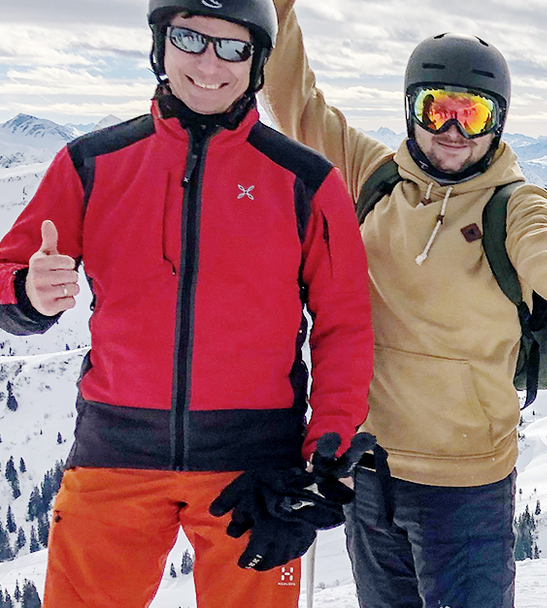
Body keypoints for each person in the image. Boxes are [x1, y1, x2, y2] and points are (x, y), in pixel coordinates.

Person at [260, 1, 547, 606]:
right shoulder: (374, 175)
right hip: (370, 469)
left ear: (498, 121)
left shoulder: (513, 204)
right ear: (411, 110)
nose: (453, 131)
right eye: (436, 109)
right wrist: (277, 10)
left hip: (465, 483)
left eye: (473, 113)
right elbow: (296, 106)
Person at [0, 0, 376, 605]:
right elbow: (9, 274)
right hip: (113, 454)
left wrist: (326, 442)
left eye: (233, 47)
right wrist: (27, 292)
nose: (209, 64)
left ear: (257, 63)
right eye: (190, 39)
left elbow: (345, 324)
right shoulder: (92, 164)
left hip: (254, 470)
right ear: (160, 44)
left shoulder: (306, 180)